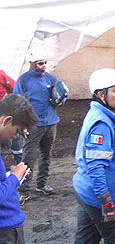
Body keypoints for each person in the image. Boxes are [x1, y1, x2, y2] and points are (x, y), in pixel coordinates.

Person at [72, 68, 115, 243]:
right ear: (101, 95)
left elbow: (104, 158)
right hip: (96, 195)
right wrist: (106, 201)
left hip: (85, 189)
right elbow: (95, 165)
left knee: (87, 238)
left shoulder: (103, 114)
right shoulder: (101, 123)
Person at [14, 49, 66, 204]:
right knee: (27, 158)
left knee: (46, 156)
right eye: (40, 63)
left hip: (51, 123)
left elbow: (61, 96)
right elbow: (17, 103)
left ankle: (41, 184)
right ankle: (23, 191)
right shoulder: (23, 80)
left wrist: (60, 100)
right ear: (31, 64)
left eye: (45, 62)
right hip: (33, 125)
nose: (44, 66)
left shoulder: (52, 78)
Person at [0, 94, 37, 244]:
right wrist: (15, 177)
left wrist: (12, 175)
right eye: (17, 130)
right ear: (7, 121)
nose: (15, 137)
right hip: (5, 230)